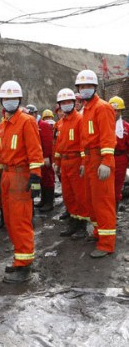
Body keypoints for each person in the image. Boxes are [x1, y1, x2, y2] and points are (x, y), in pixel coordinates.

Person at [0, 81, 43, 283]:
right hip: (7, 176)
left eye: (13, 98)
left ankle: (25, 266)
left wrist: (35, 178)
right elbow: (2, 152)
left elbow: (35, 151)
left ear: (20, 100)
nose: (9, 102)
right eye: (6, 99)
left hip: (21, 176)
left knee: (21, 221)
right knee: (11, 222)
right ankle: (19, 259)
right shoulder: (4, 123)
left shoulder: (26, 121)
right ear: (1, 101)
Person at [76, 69, 116, 258]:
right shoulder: (86, 110)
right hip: (91, 160)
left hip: (100, 159)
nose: (84, 89)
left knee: (103, 202)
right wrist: (85, 162)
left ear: (95, 87)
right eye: (81, 86)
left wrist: (106, 162)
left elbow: (108, 137)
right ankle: (98, 232)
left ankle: (107, 244)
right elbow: (86, 140)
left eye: (88, 86)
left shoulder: (103, 107)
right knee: (91, 200)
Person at [53, 88, 90, 238]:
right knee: (68, 195)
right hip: (65, 162)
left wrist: (83, 163)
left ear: (74, 103)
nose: (66, 105)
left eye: (68, 102)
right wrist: (57, 162)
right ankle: (73, 222)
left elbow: (84, 143)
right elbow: (58, 145)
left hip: (76, 162)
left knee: (80, 195)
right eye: (63, 103)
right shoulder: (60, 123)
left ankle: (82, 226)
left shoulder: (80, 120)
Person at [27, 105, 55, 212]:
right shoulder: (32, 124)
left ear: (35, 113)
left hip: (45, 156)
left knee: (48, 178)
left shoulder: (43, 125)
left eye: (30, 114)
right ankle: (43, 200)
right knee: (42, 178)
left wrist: (47, 156)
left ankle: (49, 202)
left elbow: (47, 142)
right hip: (38, 157)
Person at [109, 96, 129, 215]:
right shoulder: (103, 125)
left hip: (121, 159)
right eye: (113, 110)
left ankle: (114, 214)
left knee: (116, 188)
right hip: (106, 158)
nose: (115, 113)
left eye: (117, 111)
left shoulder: (126, 127)